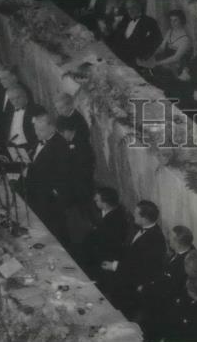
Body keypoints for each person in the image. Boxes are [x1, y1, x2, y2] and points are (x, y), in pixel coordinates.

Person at [101, 200, 166, 316]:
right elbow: (131, 254)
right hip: (126, 276)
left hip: (133, 285)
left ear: (144, 219)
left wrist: (114, 266)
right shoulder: (143, 229)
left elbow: (140, 268)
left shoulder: (155, 239)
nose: (133, 215)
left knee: (123, 314)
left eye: (136, 214)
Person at [24, 109, 71, 240]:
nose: (37, 133)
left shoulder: (60, 145)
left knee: (54, 230)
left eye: (41, 130)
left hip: (48, 197)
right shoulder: (41, 140)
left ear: (52, 128)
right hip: (37, 191)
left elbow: (62, 173)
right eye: (36, 129)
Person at [56, 114, 94, 244]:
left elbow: (81, 168)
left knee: (84, 215)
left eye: (61, 133)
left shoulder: (80, 144)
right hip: (78, 184)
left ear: (67, 131)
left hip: (81, 186)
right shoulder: (73, 141)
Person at [82, 186, 130, 283]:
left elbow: (106, 244)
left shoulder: (114, 221)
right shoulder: (110, 211)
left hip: (105, 260)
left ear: (105, 204)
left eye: (97, 200)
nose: (94, 201)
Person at [138, 9, 191, 86]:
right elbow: (162, 48)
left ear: (181, 20)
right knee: (145, 63)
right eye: (171, 20)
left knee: (156, 70)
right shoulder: (170, 31)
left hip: (176, 66)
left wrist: (156, 63)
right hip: (165, 60)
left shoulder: (185, 39)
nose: (172, 23)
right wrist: (151, 55)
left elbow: (176, 58)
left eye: (175, 20)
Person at [110, 0, 161, 67]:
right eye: (128, 8)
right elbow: (117, 37)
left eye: (133, 7)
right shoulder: (125, 20)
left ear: (139, 7)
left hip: (136, 62)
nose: (130, 11)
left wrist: (146, 57)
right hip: (120, 58)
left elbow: (158, 40)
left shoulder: (149, 21)